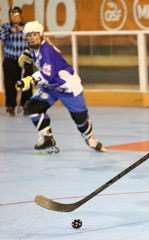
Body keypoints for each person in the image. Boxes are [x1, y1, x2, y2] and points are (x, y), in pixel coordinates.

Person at [15, 21, 105, 153]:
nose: (32, 37)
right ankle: (47, 139)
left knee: (80, 119)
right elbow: (35, 55)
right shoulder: (35, 47)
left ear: (41, 35)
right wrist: (27, 54)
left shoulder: (46, 51)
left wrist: (29, 80)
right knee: (33, 108)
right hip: (51, 87)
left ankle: (90, 139)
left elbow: (47, 75)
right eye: (29, 35)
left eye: (35, 34)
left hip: (67, 87)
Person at [0, 6, 32, 116]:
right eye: (12, 16)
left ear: (20, 16)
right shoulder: (5, 27)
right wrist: (10, 30)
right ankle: (11, 105)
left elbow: (34, 35)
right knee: (9, 84)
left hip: (25, 59)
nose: (15, 18)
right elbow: (1, 36)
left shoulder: (27, 27)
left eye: (17, 15)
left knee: (27, 82)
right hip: (10, 59)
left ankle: (26, 104)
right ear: (10, 17)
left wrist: (22, 29)